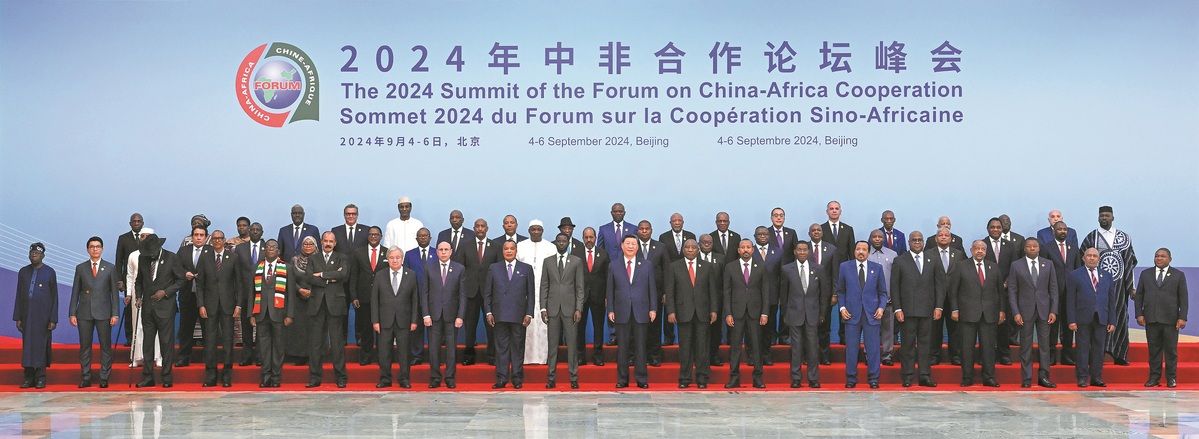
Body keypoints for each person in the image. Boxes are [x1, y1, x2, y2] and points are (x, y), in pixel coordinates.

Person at [1081, 205, 1137, 366]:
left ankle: (1119, 354)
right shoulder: (1092, 237)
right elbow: (1082, 262)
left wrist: (1131, 287)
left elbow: (1129, 264)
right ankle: (1097, 354)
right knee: (1098, 319)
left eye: (1107, 215)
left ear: (1113, 217)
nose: (1104, 218)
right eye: (1102, 216)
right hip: (1097, 288)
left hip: (1119, 288)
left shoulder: (1124, 238)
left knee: (1119, 317)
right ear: (1098, 218)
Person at [950, 240, 1005, 387]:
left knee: (988, 348)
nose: (980, 251)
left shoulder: (993, 267)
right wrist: (954, 309)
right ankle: (967, 377)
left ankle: (989, 377)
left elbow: (1000, 291)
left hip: (989, 314)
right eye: (977, 248)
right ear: (971, 250)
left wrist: (1002, 310)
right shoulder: (961, 266)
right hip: (967, 314)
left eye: (983, 249)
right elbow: (953, 290)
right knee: (967, 347)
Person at [890, 231, 941, 387]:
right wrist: (897, 309)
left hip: (927, 310)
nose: (917, 243)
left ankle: (925, 376)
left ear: (924, 241)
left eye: (920, 240)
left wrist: (938, 306)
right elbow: (895, 287)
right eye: (914, 240)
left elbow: (939, 285)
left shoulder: (933, 259)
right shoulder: (900, 261)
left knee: (926, 345)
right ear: (909, 242)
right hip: (907, 311)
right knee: (908, 345)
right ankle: (907, 376)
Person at [665, 238, 718, 389]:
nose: (689, 250)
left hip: (703, 312)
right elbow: (670, 292)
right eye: (687, 247)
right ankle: (684, 378)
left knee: (702, 347)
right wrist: (671, 311)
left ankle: (702, 378)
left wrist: (714, 310)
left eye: (693, 247)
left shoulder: (707, 266)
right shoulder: (674, 267)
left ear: (698, 249)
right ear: (683, 250)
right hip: (683, 313)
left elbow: (712, 290)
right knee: (685, 347)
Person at [196, 230, 246, 387]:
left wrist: (238, 305)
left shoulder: (233, 257)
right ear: (211, 241)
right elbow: (200, 284)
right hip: (209, 306)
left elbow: (239, 284)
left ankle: (226, 376)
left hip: (228, 306)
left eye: (220, 239)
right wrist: (201, 305)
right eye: (215, 239)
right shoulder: (205, 257)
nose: (217, 241)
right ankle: (210, 376)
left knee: (227, 342)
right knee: (210, 342)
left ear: (225, 240)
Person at [835, 241, 888, 389]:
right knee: (851, 348)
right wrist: (842, 308)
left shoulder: (877, 268)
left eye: (864, 249)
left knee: (873, 349)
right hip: (851, 314)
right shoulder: (845, 267)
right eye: (858, 249)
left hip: (872, 314)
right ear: (854, 251)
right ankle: (851, 378)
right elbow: (841, 291)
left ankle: (873, 379)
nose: (861, 252)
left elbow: (883, 292)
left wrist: (881, 308)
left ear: (868, 252)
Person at [1006, 238, 1058, 388]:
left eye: (1035, 246)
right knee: (1026, 346)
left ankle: (1044, 377)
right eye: (1029, 246)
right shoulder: (1016, 265)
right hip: (1024, 312)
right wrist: (1015, 312)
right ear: (1024, 249)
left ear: (1039, 248)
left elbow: (1053, 290)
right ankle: (1027, 378)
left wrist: (1053, 310)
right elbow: (1012, 290)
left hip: (1044, 311)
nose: (1032, 248)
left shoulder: (1048, 264)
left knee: (1044, 346)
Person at [70, 236, 120, 388]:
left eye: (98, 246)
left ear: (102, 249)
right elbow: (75, 292)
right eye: (92, 246)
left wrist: (115, 313)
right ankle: (86, 377)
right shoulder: (81, 268)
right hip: (84, 313)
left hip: (104, 313)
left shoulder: (110, 268)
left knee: (105, 346)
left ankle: (104, 377)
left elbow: (114, 293)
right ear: (87, 250)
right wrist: (72, 313)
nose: (95, 249)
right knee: (85, 346)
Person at [301, 232, 350, 388]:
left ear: (335, 243)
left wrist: (321, 275)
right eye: (326, 241)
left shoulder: (342, 257)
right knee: (315, 344)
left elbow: (343, 275)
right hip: (317, 305)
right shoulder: (313, 258)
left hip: (335, 305)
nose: (328, 243)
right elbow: (309, 278)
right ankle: (315, 378)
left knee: (337, 344)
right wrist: (331, 279)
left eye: (331, 241)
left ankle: (341, 377)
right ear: (321, 242)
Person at [135, 234, 185, 388]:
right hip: (148, 308)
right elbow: (139, 281)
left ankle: (166, 378)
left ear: (158, 247)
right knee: (147, 343)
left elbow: (181, 280)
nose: (150, 255)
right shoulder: (143, 258)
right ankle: (148, 377)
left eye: (152, 252)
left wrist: (165, 292)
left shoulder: (172, 258)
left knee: (166, 343)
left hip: (165, 307)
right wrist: (138, 296)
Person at [1134, 248, 1188, 388]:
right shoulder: (1146, 274)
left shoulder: (1178, 275)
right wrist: (1139, 314)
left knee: (1170, 351)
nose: (1159, 258)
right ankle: (1154, 378)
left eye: (1163, 256)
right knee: (1154, 351)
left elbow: (1183, 299)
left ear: (1170, 259)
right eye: (1156, 256)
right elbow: (1139, 296)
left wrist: (1182, 318)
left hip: (1171, 320)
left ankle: (1171, 378)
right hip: (1151, 319)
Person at [484, 241, 535, 389]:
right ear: (502, 251)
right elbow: (488, 293)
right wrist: (488, 312)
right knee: (501, 348)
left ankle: (517, 378)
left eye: (512, 248)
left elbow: (530, 294)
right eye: (506, 248)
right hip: (499, 315)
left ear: (516, 251)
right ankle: (501, 378)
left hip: (519, 315)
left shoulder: (526, 268)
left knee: (518, 347)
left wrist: (529, 313)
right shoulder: (494, 268)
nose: (509, 251)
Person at [609, 235, 656, 389]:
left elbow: (652, 289)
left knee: (641, 346)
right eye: (627, 243)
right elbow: (610, 290)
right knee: (622, 347)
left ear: (637, 247)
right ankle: (622, 379)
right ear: (622, 246)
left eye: (633, 244)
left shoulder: (647, 265)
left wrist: (653, 308)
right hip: (621, 311)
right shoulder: (613, 265)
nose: (630, 246)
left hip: (641, 311)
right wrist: (610, 309)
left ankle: (641, 379)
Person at [779, 241, 827, 388]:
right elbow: (784, 293)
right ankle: (796, 378)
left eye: (804, 250)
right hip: (794, 313)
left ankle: (813, 378)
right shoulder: (787, 269)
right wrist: (785, 314)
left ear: (809, 251)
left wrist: (822, 313)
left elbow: (824, 293)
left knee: (812, 347)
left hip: (813, 313)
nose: (802, 252)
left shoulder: (818, 269)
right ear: (794, 252)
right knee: (796, 347)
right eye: (799, 250)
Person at [540, 233, 585, 389]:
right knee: (552, 345)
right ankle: (551, 378)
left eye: (563, 241)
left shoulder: (576, 261)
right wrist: (543, 307)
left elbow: (580, 288)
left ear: (568, 243)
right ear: (555, 243)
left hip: (570, 309)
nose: (561, 243)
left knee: (572, 345)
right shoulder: (548, 261)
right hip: (552, 309)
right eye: (558, 241)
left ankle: (573, 377)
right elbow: (544, 286)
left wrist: (579, 308)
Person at [1066, 248, 1115, 388]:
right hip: (1082, 318)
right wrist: (1071, 320)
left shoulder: (1107, 275)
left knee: (1099, 349)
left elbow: (1111, 299)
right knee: (1082, 348)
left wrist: (1112, 320)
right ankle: (1082, 377)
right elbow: (1070, 300)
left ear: (1099, 259)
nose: (1092, 258)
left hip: (1101, 318)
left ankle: (1096, 377)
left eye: (1095, 256)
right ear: (1084, 258)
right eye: (1089, 256)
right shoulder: (1074, 275)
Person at [723, 239, 768, 389]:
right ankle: (734, 378)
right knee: (735, 346)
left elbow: (765, 292)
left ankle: (758, 378)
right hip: (736, 313)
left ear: (753, 249)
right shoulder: (730, 267)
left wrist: (765, 313)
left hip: (755, 313)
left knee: (756, 346)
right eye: (742, 247)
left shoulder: (761, 266)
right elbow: (727, 292)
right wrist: (728, 313)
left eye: (748, 247)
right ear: (738, 250)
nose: (746, 250)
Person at [421, 242, 466, 389]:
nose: (444, 252)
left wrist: (460, 316)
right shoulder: (429, 268)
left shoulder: (459, 269)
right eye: (441, 250)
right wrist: (425, 314)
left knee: (451, 349)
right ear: (437, 252)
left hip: (452, 316)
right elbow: (425, 293)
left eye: (446, 249)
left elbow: (462, 295)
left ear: (451, 251)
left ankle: (450, 378)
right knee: (433, 349)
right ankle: (435, 378)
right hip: (433, 316)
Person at [373, 248, 419, 388]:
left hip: (404, 320)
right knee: (384, 351)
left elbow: (415, 299)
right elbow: (374, 299)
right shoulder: (380, 275)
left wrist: (414, 320)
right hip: (384, 320)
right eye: (391, 257)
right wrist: (375, 320)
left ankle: (404, 379)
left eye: (397, 257)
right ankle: (385, 379)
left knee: (404, 352)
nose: (394, 260)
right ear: (388, 259)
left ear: (402, 259)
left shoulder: (411, 275)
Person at [14, 243, 57, 389]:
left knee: (40, 347)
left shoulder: (50, 272)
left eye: (37, 254)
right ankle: (28, 378)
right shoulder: (23, 272)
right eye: (32, 253)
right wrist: (18, 317)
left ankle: (40, 378)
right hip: (27, 316)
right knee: (28, 347)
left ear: (42, 256)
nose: (34, 256)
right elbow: (19, 295)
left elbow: (54, 297)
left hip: (43, 317)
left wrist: (53, 318)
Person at [249, 239, 292, 388]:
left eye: (274, 247)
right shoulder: (256, 268)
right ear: (264, 250)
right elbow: (251, 293)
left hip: (279, 313)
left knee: (279, 346)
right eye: (268, 247)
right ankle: (265, 376)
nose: (271, 249)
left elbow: (291, 294)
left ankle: (276, 378)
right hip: (260, 313)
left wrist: (290, 315)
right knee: (263, 347)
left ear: (278, 251)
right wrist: (251, 314)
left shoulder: (287, 268)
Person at [1041, 220, 1081, 366]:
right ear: (1054, 231)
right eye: (1060, 229)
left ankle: (1067, 355)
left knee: (1068, 326)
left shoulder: (1074, 248)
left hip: (1070, 294)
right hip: (1052, 294)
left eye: (1065, 229)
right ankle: (1051, 356)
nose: (1063, 231)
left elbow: (1078, 269)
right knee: (1052, 326)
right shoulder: (1046, 247)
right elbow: (1044, 271)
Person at [461, 218, 500, 366]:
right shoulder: (465, 246)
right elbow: (460, 269)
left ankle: (492, 356)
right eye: (477, 226)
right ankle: (469, 356)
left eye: (482, 226)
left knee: (491, 326)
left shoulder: (495, 247)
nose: (480, 229)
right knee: (469, 326)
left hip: (490, 293)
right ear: (473, 228)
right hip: (470, 292)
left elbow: (499, 270)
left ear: (487, 228)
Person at [517, 220, 556, 365]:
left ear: (542, 231)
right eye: (533, 229)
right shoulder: (520, 246)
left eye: (539, 229)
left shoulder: (550, 247)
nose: (536, 232)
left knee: (543, 325)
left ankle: (542, 358)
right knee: (527, 324)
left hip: (544, 291)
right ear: (528, 231)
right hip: (524, 291)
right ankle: (526, 358)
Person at [125, 228, 162, 368]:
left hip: (154, 295)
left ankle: (157, 356)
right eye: (143, 236)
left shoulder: (158, 254)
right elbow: (130, 276)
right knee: (137, 326)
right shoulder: (134, 255)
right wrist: (129, 294)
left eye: (148, 236)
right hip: (138, 295)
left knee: (155, 326)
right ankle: (136, 357)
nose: (145, 239)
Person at [349, 226, 387, 365]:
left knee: (382, 331)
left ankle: (382, 358)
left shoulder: (387, 253)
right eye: (371, 234)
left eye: (376, 234)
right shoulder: (358, 252)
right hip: (363, 298)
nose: (373, 237)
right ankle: (366, 356)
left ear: (381, 236)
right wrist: (354, 296)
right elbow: (354, 275)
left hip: (382, 299)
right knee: (365, 329)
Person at [572, 227, 609, 367]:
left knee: (598, 327)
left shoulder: (603, 254)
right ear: (582, 238)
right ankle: (580, 356)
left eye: (591, 237)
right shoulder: (576, 254)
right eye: (586, 237)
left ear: (595, 238)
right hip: (580, 297)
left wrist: (607, 296)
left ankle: (598, 356)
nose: (589, 240)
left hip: (599, 296)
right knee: (579, 328)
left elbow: (607, 277)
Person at [984, 217, 1018, 365]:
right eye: (993, 227)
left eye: (998, 227)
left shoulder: (1010, 246)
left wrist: (1007, 282)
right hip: (986, 293)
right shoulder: (982, 245)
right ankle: (986, 355)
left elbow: (1014, 267)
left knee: (1004, 326)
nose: (996, 229)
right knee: (986, 326)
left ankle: (1004, 354)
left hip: (1005, 292)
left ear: (1002, 229)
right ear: (988, 229)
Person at [175, 226, 211, 367]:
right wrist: (184, 274)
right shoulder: (184, 251)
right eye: (196, 235)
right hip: (187, 295)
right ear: (192, 237)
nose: (198, 237)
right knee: (186, 328)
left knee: (207, 328)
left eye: (201, 235)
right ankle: (184, 357)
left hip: (207, 297)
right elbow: (176, 268)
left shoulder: (211, 251)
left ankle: (208, 357)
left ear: (206, 237)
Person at [930, 227, 966, 366]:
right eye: (941, 235)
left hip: (954, 298)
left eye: (946, 235)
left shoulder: (959, 255)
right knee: (935, 328)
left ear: (950, 239)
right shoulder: (928, 255)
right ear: (936, 238)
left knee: (955, 328)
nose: (943, 237)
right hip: (934, 298)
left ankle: (955, 354)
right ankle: (934, 354)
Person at [636, 220, 669, 366]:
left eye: (646, 229)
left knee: (655, 326)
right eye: (641, 229)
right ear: (637, 231)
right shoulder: (631, 246)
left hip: (656, 293)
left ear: (651, 230)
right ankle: (636, 356)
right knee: (636, 326)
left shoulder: (661, 247)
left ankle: (654, 356)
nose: (644, 231)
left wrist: (666, 292)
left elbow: (667, 270)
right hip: (635, 293)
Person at [232, 222, 266, 366]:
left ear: (262, 232)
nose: (255, 232)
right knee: (246, 326)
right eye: (253, 229)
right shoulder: (240, 248)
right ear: (249, 231)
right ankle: (246, 356)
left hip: (263, 294)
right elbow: (237, 273)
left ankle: (260, 356)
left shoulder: (268, 248)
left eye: (258, 230)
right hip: (245, 292)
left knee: (261, 326)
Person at [658, 213, 694, 346]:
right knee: (669, 307)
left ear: (683, 222)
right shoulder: (664, 237)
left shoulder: (690, 236)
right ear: (670, 223)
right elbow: (663, 261)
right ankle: (669, 337)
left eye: (679, 220)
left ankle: (689, 337)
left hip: (688, 278)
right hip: (670, 277)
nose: (677, 223)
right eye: (674, 221)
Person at [283, 236, 318, 365]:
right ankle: (298, 356)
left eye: (311, 244)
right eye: (305, 244)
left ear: (315, 246)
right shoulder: (294, 260)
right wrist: (299, 290)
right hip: (297, 299)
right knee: (298, 329)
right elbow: (289, 279)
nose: (308, 246)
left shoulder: (320, 259)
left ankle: (313, 356)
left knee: (314, 329)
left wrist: (312, 291)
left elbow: (323, 277)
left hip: (316, 298)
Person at [751, 226, 782, 365]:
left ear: (769, 236)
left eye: (765, 234)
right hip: (752, 296)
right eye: (759, 234)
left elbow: (782, 275)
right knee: (753, 328)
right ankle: (753, 356)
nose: (762, 236)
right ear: (754, 236)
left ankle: (766, 355)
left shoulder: (778, 252)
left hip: (772, 296)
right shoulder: (748, 250)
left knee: (769, 328)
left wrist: (782, 295)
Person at [403, 227, 435, 365]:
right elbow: (406, 276)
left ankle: (435, 356)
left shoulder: (437, 252)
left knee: (435, 330)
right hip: (415, 298)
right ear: (416, 239)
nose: (423, 238)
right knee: (416, 329)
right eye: (420, 236)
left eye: (425, 235)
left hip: (434, 298)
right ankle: (417, 355)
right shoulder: (410, 254)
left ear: (430, 238)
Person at [866, 230, 898, 366]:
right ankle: (870, 355)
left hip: (888, 299)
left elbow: (896, 278)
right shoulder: (864, 253)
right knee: (870, 330)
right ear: (870, 238)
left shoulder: (893, 255)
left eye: (880, 237)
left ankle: (887, 355)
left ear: (884, 239)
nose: (877, 239)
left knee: (888, 329)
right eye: (875, 237)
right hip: (869, 301)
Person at [808, 223, 838, 366]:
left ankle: (825, 356)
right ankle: (809, 356)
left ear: (822, 232)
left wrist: (834, 293)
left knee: (824, 327)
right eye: (813, 230)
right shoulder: (803, 249)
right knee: (808, 327)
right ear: (809, 234)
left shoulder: (831, 249)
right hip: (807, 295)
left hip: (825, 295)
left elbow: (835, 273)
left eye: (818, 230)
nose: (816, 232)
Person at [115, 213, 145, 346]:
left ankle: (143, 337)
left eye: (139, 221)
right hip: (129, 279)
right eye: (134, 221)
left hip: (146, 280)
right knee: (129, 310)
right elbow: (119, 261)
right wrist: (119, 280)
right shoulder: (123, 238)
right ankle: (130, 338)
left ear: (142, 223)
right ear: (130, 223)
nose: (137, 223)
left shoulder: (147, 238)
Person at [697, 234, 726, 367]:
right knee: (699, 331)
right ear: (699, 244)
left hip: (716, 301)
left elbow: (725, 280)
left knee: (715, 331)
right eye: (704, 242)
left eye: (709, 242)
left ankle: (714, 356)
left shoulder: (720, 258)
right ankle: (698, 358)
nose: (707, 245)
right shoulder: (693, 258)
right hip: (697, 301)